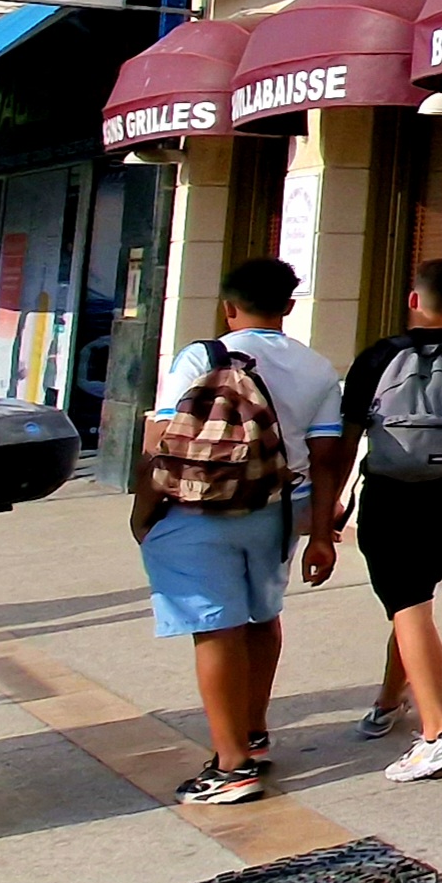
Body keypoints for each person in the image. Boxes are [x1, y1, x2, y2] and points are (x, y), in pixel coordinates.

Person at [130, 259, 345, 805]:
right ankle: (253, 731)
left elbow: (161, 440)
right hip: (278, 510)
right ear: (288, 306)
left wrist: (143, 513)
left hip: (199, 509)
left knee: (214, 628)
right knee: (262, 617)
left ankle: (231, 766)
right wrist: (322, 534)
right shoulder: (317, 368)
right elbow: (326, 458)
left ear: (228, 307)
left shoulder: (200, 357)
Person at [315, 258, 442, 782]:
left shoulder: (377, 357)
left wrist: (330, 506)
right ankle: (389, 701)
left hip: (390, 500)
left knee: (407, 605)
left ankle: (437, 734)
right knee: (412, 603)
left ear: (412, 299)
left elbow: (346, 444)